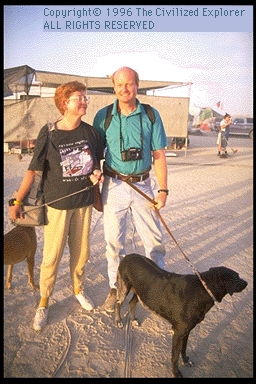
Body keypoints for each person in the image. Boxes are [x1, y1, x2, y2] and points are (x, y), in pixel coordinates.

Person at [9, 81, 104, 331]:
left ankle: (78, 289)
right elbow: (33, 169)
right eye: (79, 98)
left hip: (83, 203)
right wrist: (17, 200)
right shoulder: (50, 133)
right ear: (65, 104)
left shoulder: (92, 133)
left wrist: (96, 174)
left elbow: (96, 164)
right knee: (51, 257)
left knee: (81, 253)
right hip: (57, 206)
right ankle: (43, 302)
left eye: (85, 98)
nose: (84, 102)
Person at [93, 67, 168, 312]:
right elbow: (94, 154)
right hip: (114, 186)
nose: (124, 89)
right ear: (113, 87)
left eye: (129, 84)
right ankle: (115, 287)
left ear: (137, 85)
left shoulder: (150, 114)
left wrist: (163, 190)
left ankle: (157, 288)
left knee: (154, 241)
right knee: (113, 243)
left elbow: (158, 154)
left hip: (144, 185)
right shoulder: (103, 116)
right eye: (119, 84)